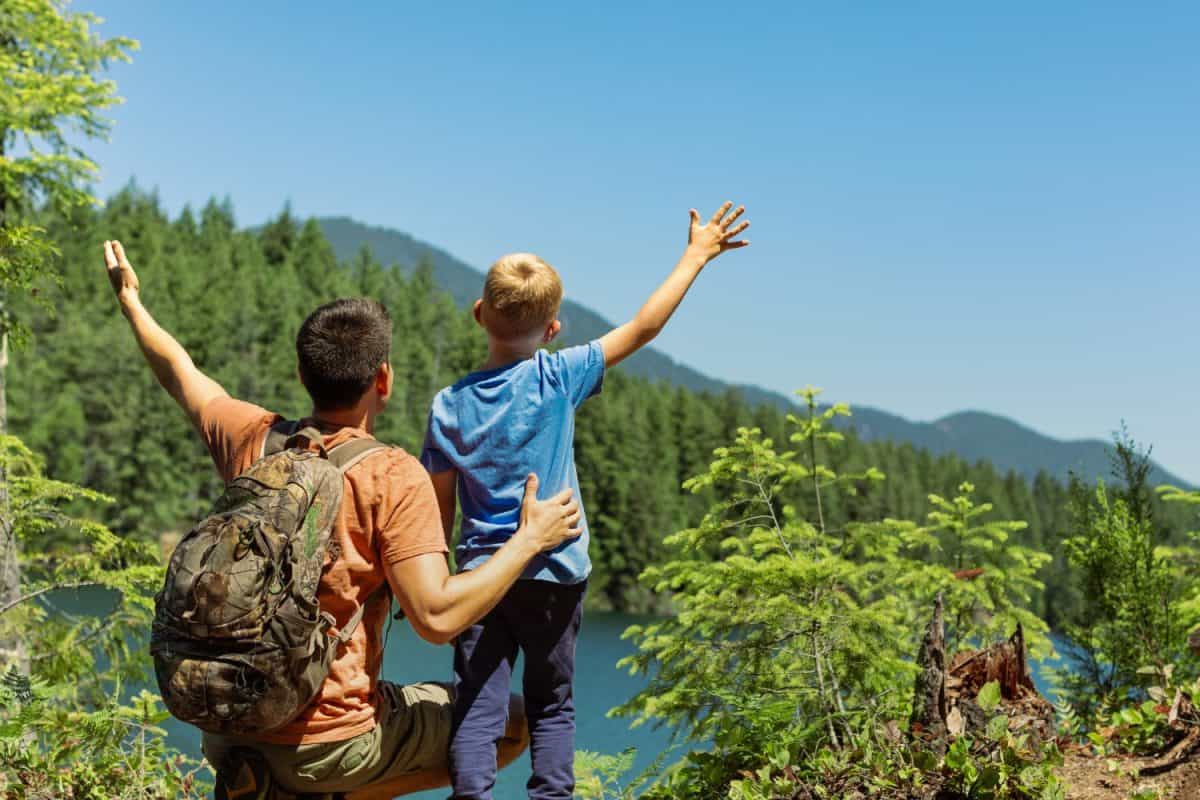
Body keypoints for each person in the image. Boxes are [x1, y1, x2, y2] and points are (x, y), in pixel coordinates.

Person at [102, 240, 583, 799]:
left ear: (302, 374)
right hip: (329, 744)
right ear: (384, 379)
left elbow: (182, 375)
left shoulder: (255, 440)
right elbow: (436, 618)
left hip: (229, 727)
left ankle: (273, 783)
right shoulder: (394, 477)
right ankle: (326, 795)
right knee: (511, 722)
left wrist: (133, 305)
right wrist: (529, 542)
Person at [420, 201, 750, 799]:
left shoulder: (447, 405)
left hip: (478, 581)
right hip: (555, 574)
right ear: (552, 330)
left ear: (478, 314)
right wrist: (696, 255)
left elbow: (437, 511)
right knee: (552, 706)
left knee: (476, 704)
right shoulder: (557, 376)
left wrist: (439, 578)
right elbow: (644, 327)